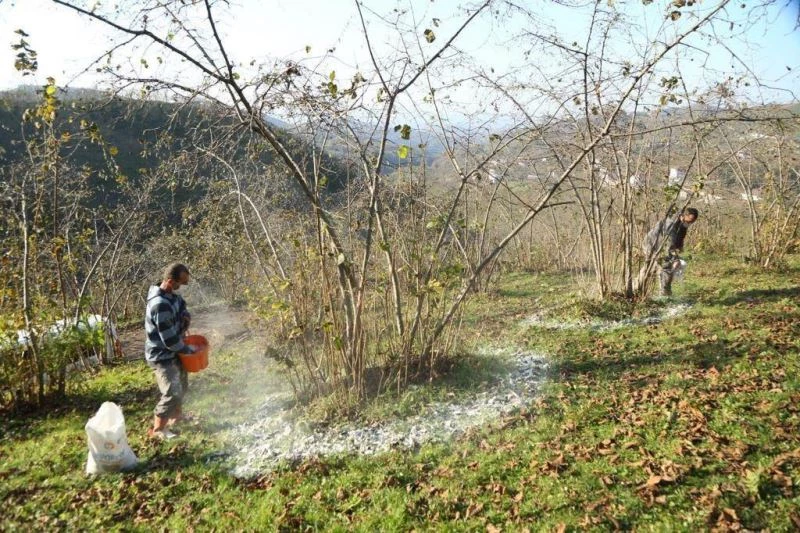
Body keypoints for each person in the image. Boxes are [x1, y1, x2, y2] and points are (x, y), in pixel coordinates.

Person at [144, 262, 194, 439]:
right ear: (171, 282)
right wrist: (188, 351)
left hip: (174, 350)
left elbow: (181, 305)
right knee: (172, 390)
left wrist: (185, 315)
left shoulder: (171, 296)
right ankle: (158, 430)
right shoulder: (160, 304)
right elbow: (170, 340)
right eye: (181, 283)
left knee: (182, 385)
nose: (182, 287)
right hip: (162, 355)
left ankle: (176, 417)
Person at [643, 207, 699, 297]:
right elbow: (669, 244)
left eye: (692, 222)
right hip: (652, 245)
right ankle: (662, 294)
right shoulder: (670, 224)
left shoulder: (682, 223)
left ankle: (665, 292)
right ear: (683, 216)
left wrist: (680, 246)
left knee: (663, 266)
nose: (689, 223)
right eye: (689, 221)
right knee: (663, 267)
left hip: (663, 246)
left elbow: (681, 235)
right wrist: (675, 259)